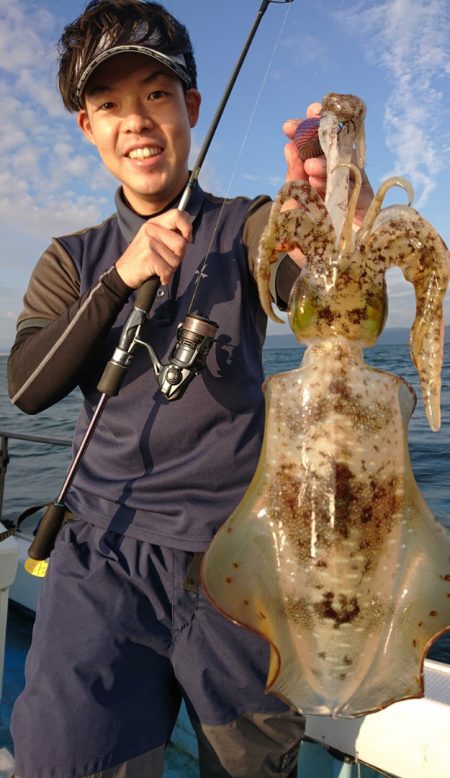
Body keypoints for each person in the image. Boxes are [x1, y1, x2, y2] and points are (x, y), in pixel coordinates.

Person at [7, 2, 371, 776]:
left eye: (157, 95)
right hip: (101, 552)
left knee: (251, 762)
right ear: (86, 127)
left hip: (238, 560)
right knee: (63, 757)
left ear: (191, 108)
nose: (136, 121)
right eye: (110, 104)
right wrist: (119, 279)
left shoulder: (246, 224)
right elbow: (28, 388)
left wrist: (330, 219)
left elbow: (304, 286)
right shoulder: (72, 260)